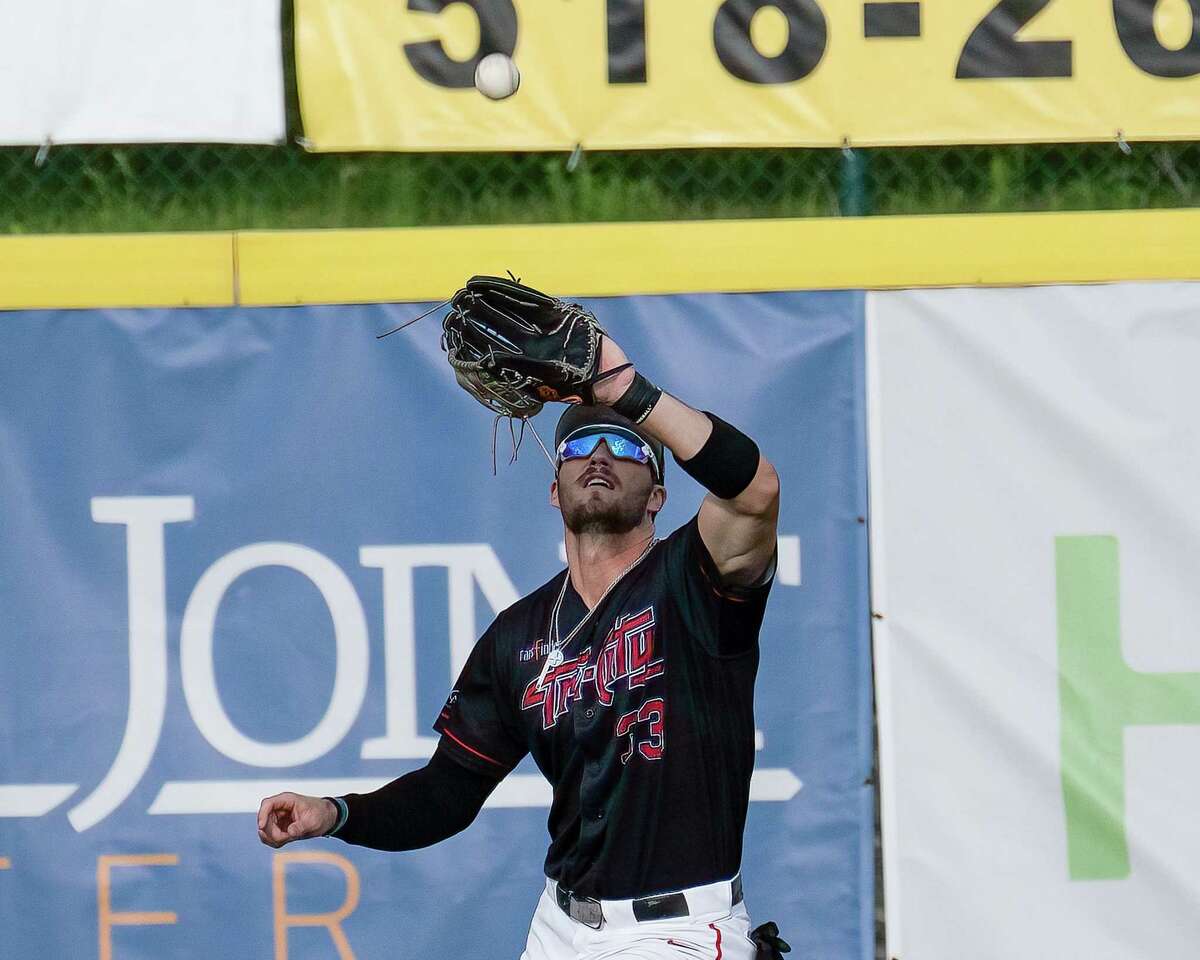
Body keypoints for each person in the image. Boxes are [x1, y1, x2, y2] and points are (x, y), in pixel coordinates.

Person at [258, 334, 783, 959]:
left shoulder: (696, 579)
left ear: (659, 497)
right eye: (579, 445)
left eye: (625, 446)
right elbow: (447, 792)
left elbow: (755, 492)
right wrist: (335, 813)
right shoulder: (518, 634)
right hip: (559, 927)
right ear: (554, 488)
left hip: (677, 928)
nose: (599, 456)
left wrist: (626, 392)